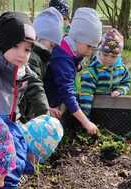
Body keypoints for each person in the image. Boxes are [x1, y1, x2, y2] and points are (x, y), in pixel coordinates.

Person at [44, 7, 102, 135]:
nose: (90, 52)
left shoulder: (68, 48)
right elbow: (67, 93)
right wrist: (86, 122)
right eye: (89, 46)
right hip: (47, 104)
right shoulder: (62, 58)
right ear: (78, 38)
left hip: (54, 101)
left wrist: (77, 65)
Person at [20, 7, 64, 120]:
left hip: (27, 110)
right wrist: (45, 113)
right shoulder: (33, 58)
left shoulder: (40, 57)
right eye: (51, 45)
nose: (51, 51)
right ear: (38, 38)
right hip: (21, 111)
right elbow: (34, 85)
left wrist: (46, 108)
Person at [79, 28, 131, 117]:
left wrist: (120, 90)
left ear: (118, 56)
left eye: (113, 56)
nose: (108, 59)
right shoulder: (92, 72)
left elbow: (126, 82)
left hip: (113, 107)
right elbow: (86, 94)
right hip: (94, 108)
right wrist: (85, 116)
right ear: (100, 52)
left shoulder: (121, 69)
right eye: (105, 55)